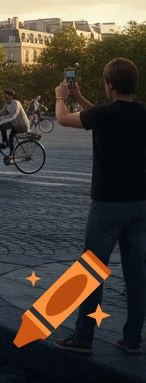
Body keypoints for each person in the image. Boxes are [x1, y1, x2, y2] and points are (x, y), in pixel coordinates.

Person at [53, 58, 146, 356]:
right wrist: (80, 97)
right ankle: (132, 339)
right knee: (136, 275)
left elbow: (63, 118)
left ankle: (83, 337)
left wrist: (61, 97)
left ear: (109, 84)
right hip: (140, 204)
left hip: (107, 204)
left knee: (91, 271)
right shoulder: (142, 114)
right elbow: (105, 116)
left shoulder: (104, 115)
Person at [0, 89, 29, 164]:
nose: (5, 97)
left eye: (6, 96)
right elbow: (1, 112)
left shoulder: (16, 103)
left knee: (2, 126)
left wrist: (4, 119)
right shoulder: (7, 104)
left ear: (11, 96)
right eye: (4, 96)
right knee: (11, 137)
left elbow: (15, 115)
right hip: (15, 124)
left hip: (22, 124)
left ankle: (5, 143)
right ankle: (11, 154)